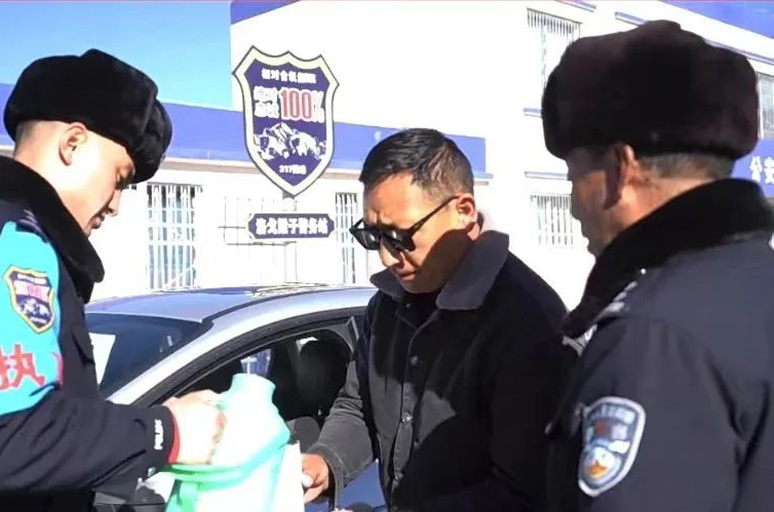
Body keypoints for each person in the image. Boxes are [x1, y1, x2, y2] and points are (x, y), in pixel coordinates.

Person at [0, 49, 225, 512]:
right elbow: (8, 436)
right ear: (73, 144)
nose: (116, 205)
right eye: (120, 178)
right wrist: (167, 432)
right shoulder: (12, 244)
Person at [541, 20, 774, 511]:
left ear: (619, 169)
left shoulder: (654, 338)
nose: (573, 206)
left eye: (572, 176)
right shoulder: (756, 282)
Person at [301, 128, 573, 511]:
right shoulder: (386, 306)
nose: (386, 256)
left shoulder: (527, 321)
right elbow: (358, 406)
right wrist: (324, 461)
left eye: (400, 236)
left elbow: (525, 491)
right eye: (374, 236)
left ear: (463, 211)